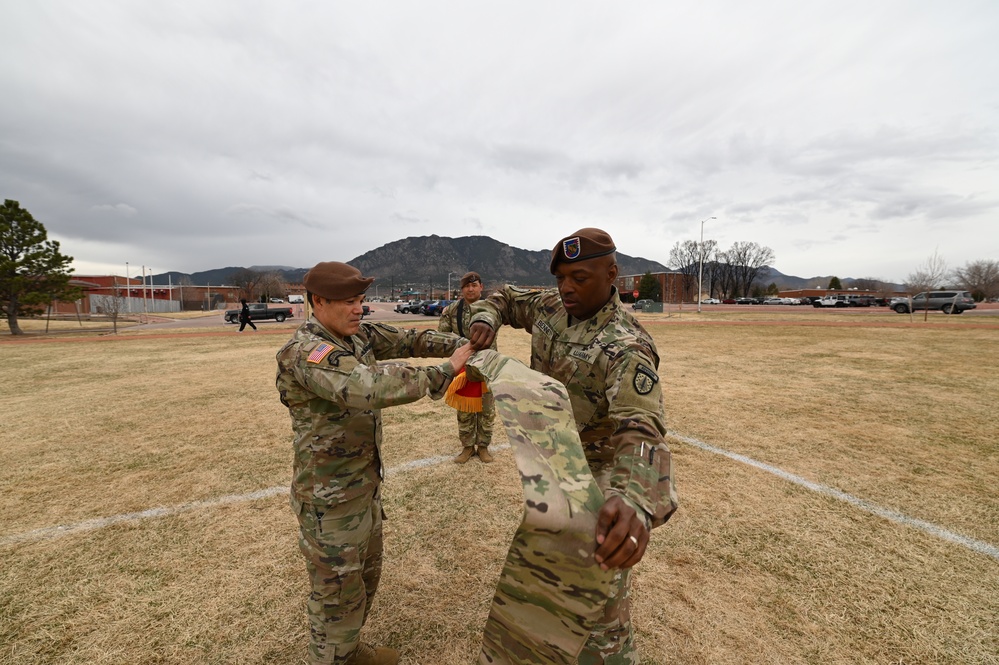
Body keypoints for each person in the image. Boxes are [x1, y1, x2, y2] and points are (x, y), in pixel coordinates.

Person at [467, 228, 679, 663]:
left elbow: (641, 427)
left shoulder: (626, 345)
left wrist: (634, 499)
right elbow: (505, 297)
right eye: (561, 277)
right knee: (547, 587)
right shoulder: (551, 306)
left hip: (597, 482)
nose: (566, 287)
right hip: (551, 471)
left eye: (580, 277)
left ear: (612, 274)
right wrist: (486, 316)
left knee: (598, 614)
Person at [275, 261, 473, 665]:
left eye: (361, 301)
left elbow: (407, 339)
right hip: (329, 501)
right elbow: (365, 387)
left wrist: (463, 341)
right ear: (318, 301)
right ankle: (332, 657)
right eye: (348, 302)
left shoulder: (357, 335)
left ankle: (347, 652)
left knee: (365, 578)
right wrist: (445, 371)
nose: (358, 309)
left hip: (362, 487)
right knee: (336, 593)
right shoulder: (307, 352)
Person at [438, 271, 497, 464]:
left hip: (487, 365)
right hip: (464, 367)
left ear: (481, 287)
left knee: (486, 410)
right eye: (466, 286)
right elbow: (443, 338)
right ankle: (467, 446)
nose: (470, 289)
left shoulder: (493, 309)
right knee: (464, 410)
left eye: (474, 285)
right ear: (462, 289)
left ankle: (483, 447)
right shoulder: (452, 310)